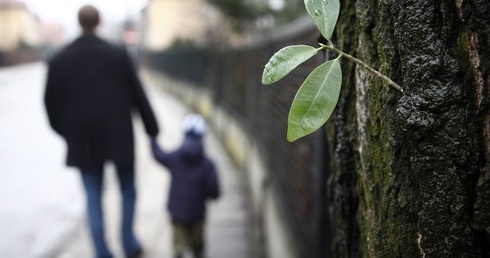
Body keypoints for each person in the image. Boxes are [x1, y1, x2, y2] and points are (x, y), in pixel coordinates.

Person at [44, 5, 158, 258]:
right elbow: (138, 94)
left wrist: (66, 132)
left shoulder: (60, 59)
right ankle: (129, 244)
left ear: (79, 23)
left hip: (82, 139)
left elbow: (50, 103)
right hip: (118, 135)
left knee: (93, 197)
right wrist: (152, 129)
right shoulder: (117, 54)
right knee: (127, 189)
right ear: (98, 22)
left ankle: (102, 253)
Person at [151, 114, 220, 258]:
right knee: (198, 245)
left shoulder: (175, 157)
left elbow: (159, 155)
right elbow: (214, 191)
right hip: (197, 213)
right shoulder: (207, 164)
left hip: (177, 212)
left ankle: (179, 251)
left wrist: (152, 137)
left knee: (179, 243)